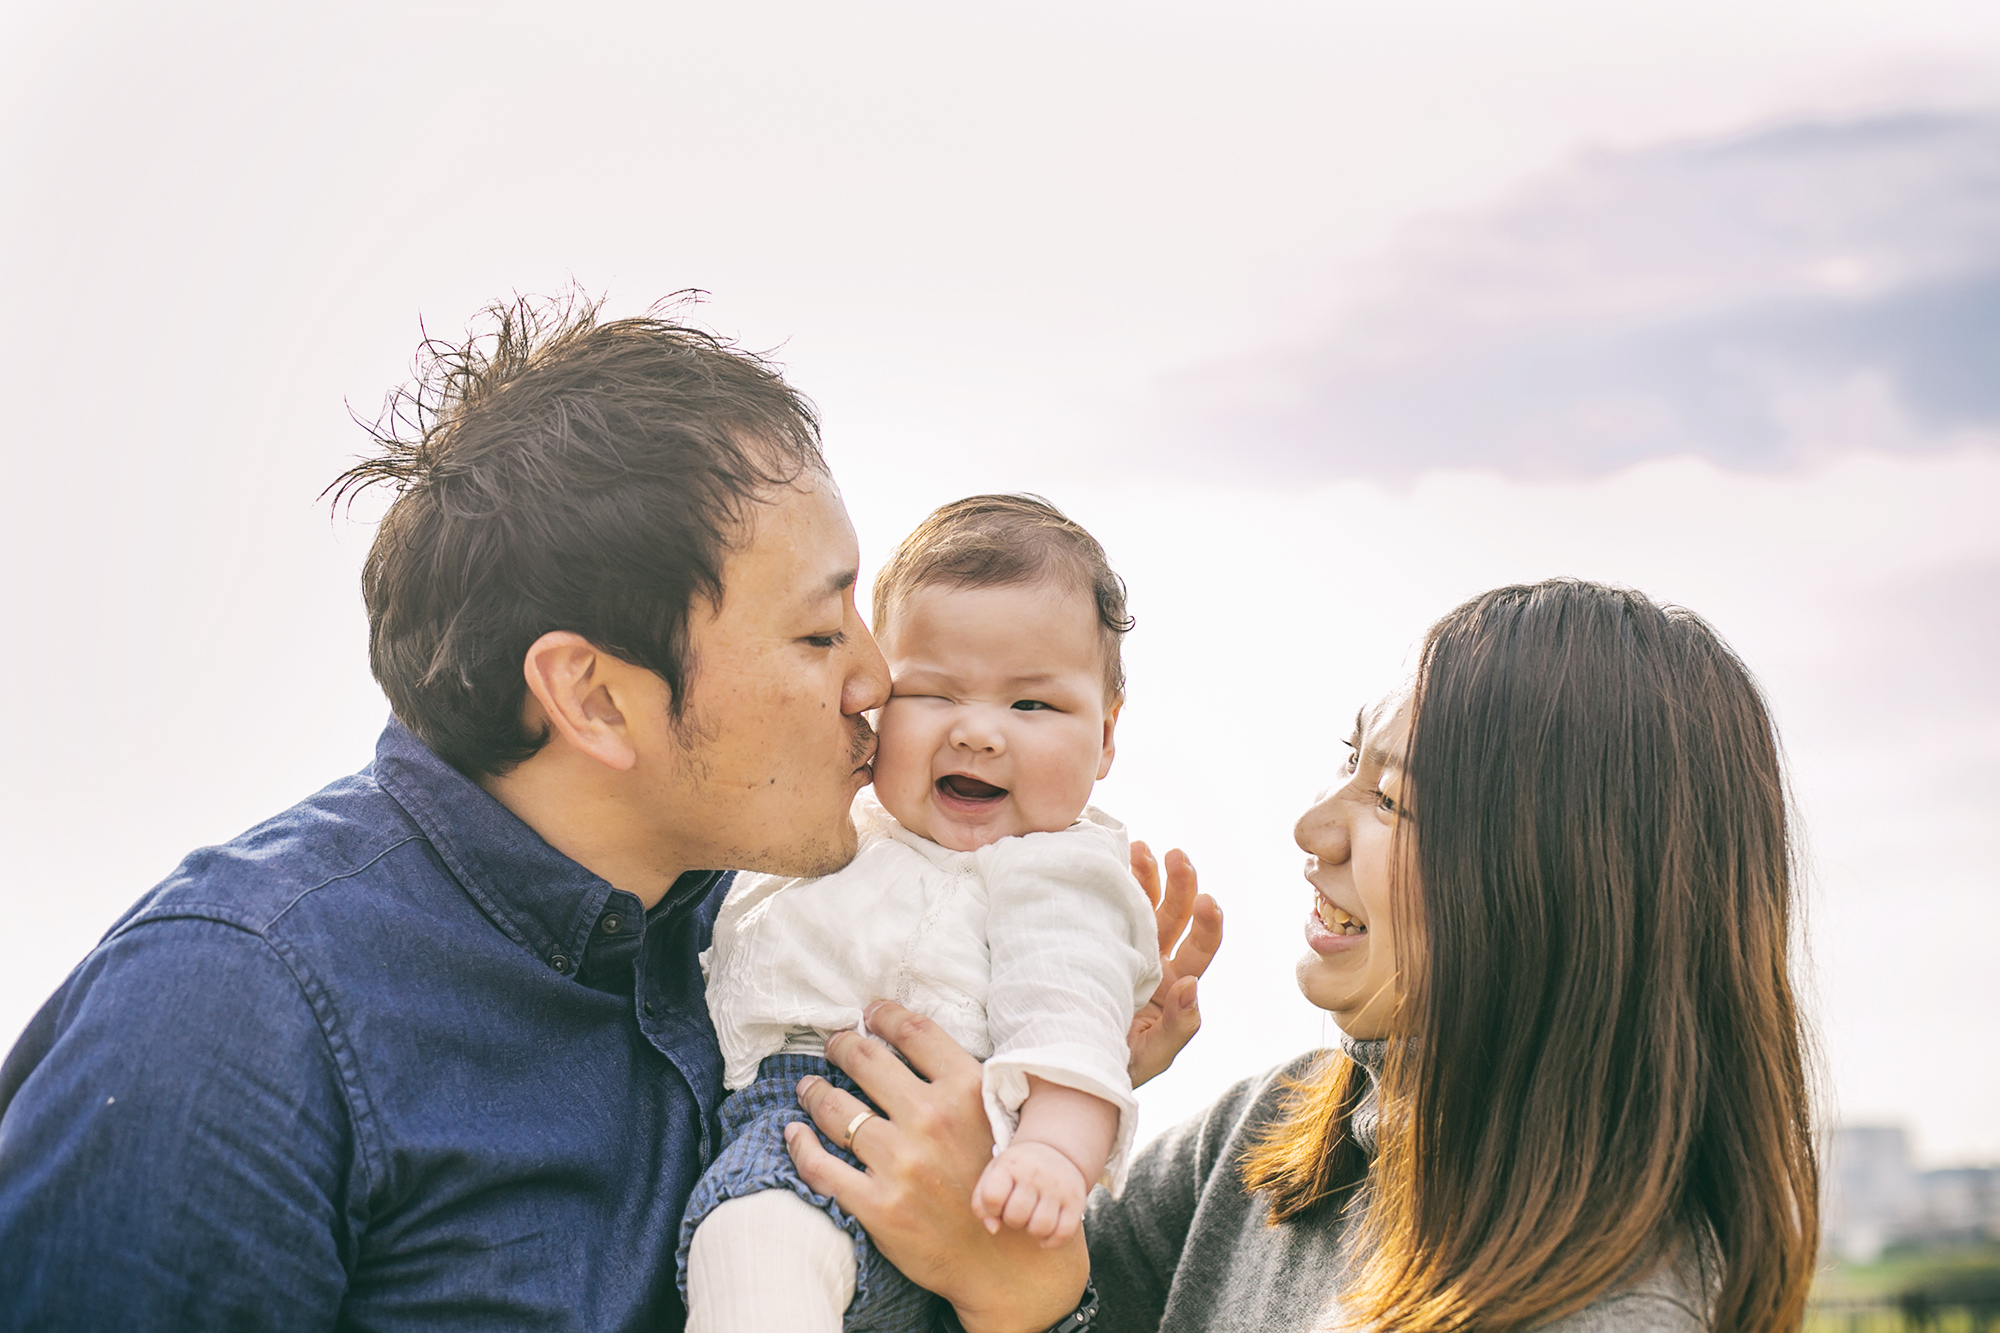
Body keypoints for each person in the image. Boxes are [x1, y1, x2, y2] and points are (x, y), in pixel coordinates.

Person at [0, 296, 1214, 1333]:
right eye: (816, 630)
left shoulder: (765, 931)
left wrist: (1027, 1229)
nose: (872, 680)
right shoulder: (235, 1018)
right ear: (593, 696)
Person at [789, 579, 1820, 1331]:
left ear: (1565, 879)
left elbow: (1019, 1296)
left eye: (1391, 799)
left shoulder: (1609, 1313)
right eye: (1345, 768)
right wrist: (1042, 1084)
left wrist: (1017, 1294)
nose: (1311, 828)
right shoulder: (1268, 1137)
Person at [682, 496, 1164, 1332]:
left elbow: (1075, 1038)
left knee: (757, 1250)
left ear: (1108, 737)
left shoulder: (1058, 874)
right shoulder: (841, 822)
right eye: (933, 693)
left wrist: (1048, 1154)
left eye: (1033, 706)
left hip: (891, 1144)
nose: (978, 733)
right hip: (754, 1112)